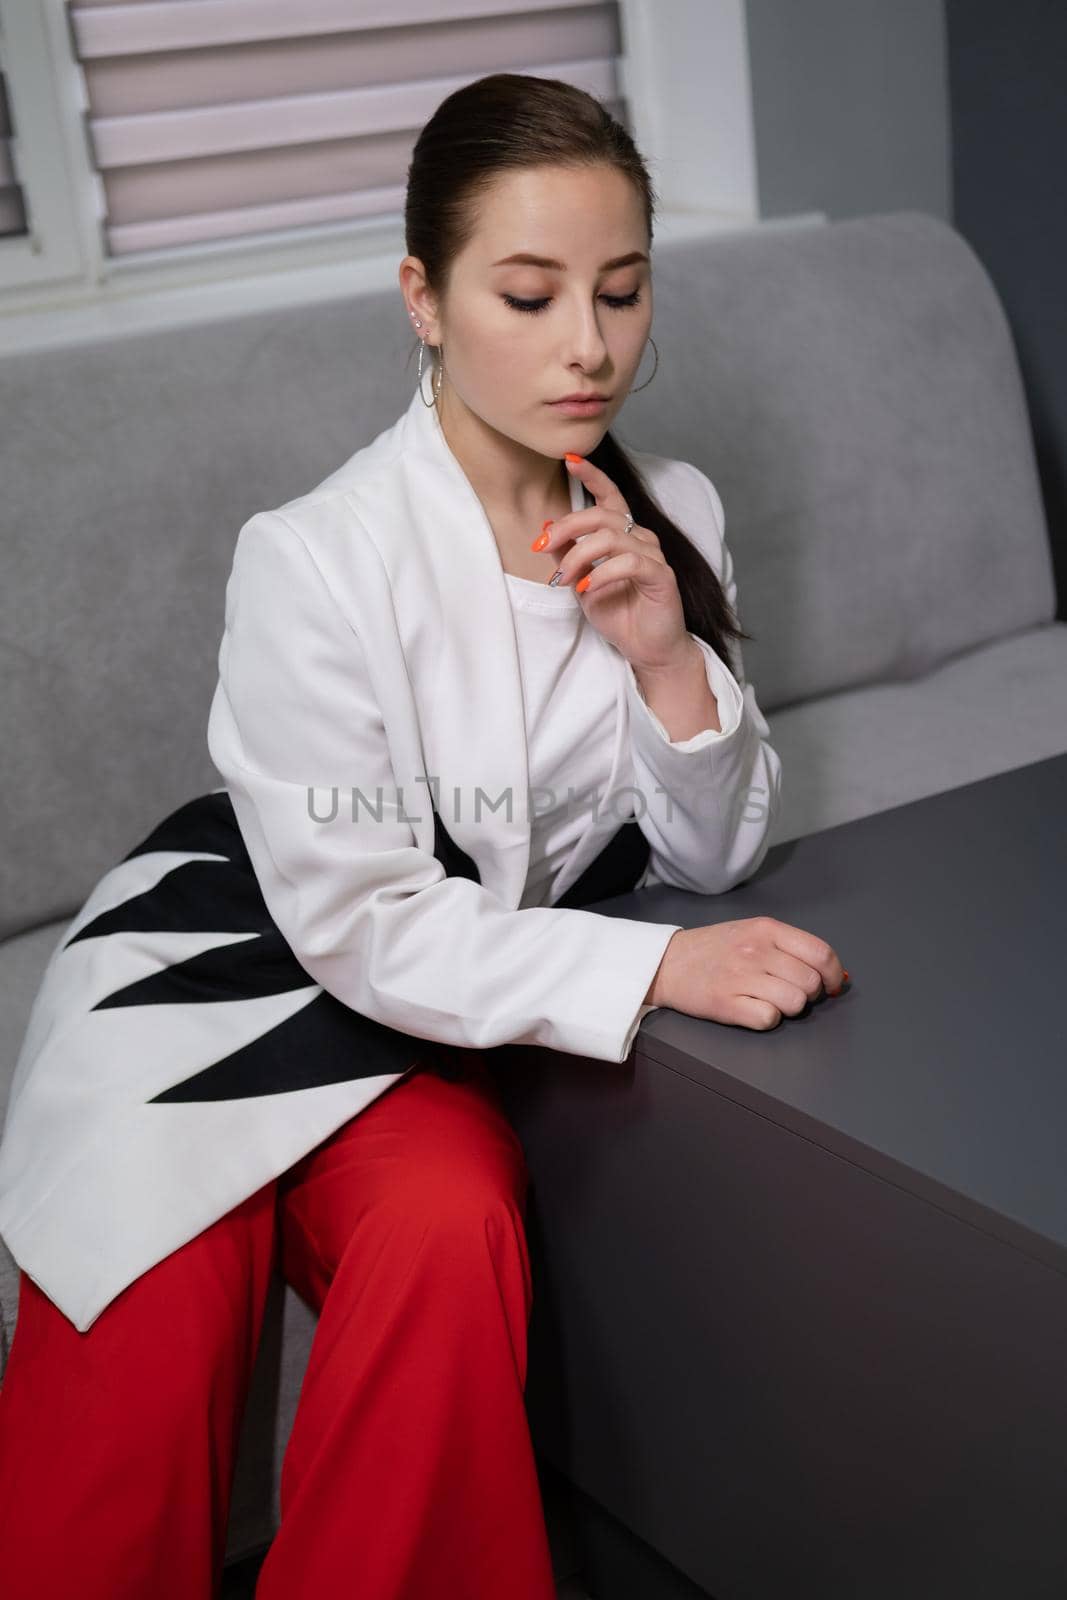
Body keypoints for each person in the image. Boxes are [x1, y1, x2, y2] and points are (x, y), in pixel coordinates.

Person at [0, 71, 846, 1600]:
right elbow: (366, 919)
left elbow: (711, 859)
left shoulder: (681, 517)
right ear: (426, 298)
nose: (587, 346)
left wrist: (665, 651)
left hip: (439, 995)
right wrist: (652, 978)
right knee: (148, 1326)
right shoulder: (318, 559)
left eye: (622, 290)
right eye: (527, 295)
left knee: (449, 1225)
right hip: (233, 969)